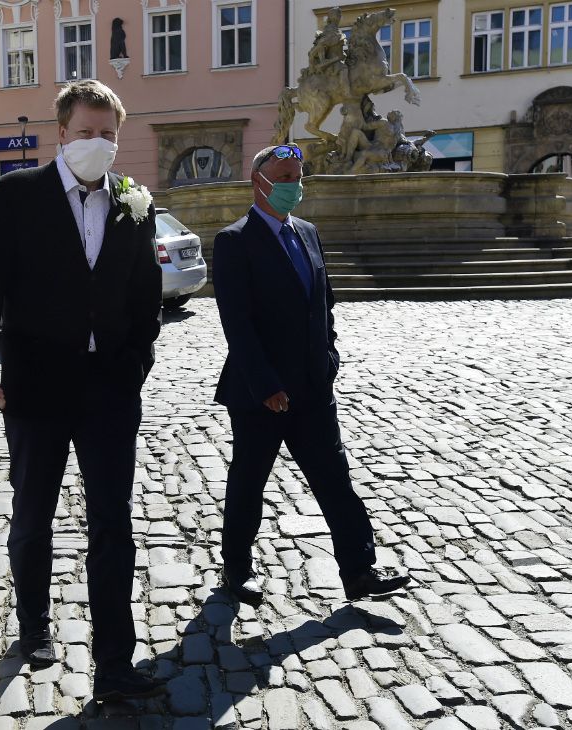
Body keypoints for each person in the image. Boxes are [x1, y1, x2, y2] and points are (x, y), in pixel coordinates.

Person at [0, 80, 164, 702]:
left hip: (108, 389)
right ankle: (34, 627)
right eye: (86, 133)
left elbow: (145, 296)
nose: (97, 144)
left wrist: (133, 364)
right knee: (33, 517)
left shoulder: (134, 203)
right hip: (37, 385)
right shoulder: (14, 194)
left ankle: (114, 665)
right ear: (62, 134)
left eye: (108, 134)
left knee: (113, 524)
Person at [212, 144, 411, 607]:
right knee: (249, 482)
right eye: (284, 177)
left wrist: (330, 356)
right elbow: (236, 324)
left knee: (335, 480)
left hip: (313, 387)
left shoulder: (307, 232)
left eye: (298, 177)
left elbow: (325, 303)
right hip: (261, 393)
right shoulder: (234, 240)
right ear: (258, 182)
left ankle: (360, 570)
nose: (293, 186)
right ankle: (237, 570)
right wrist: (266, 386)